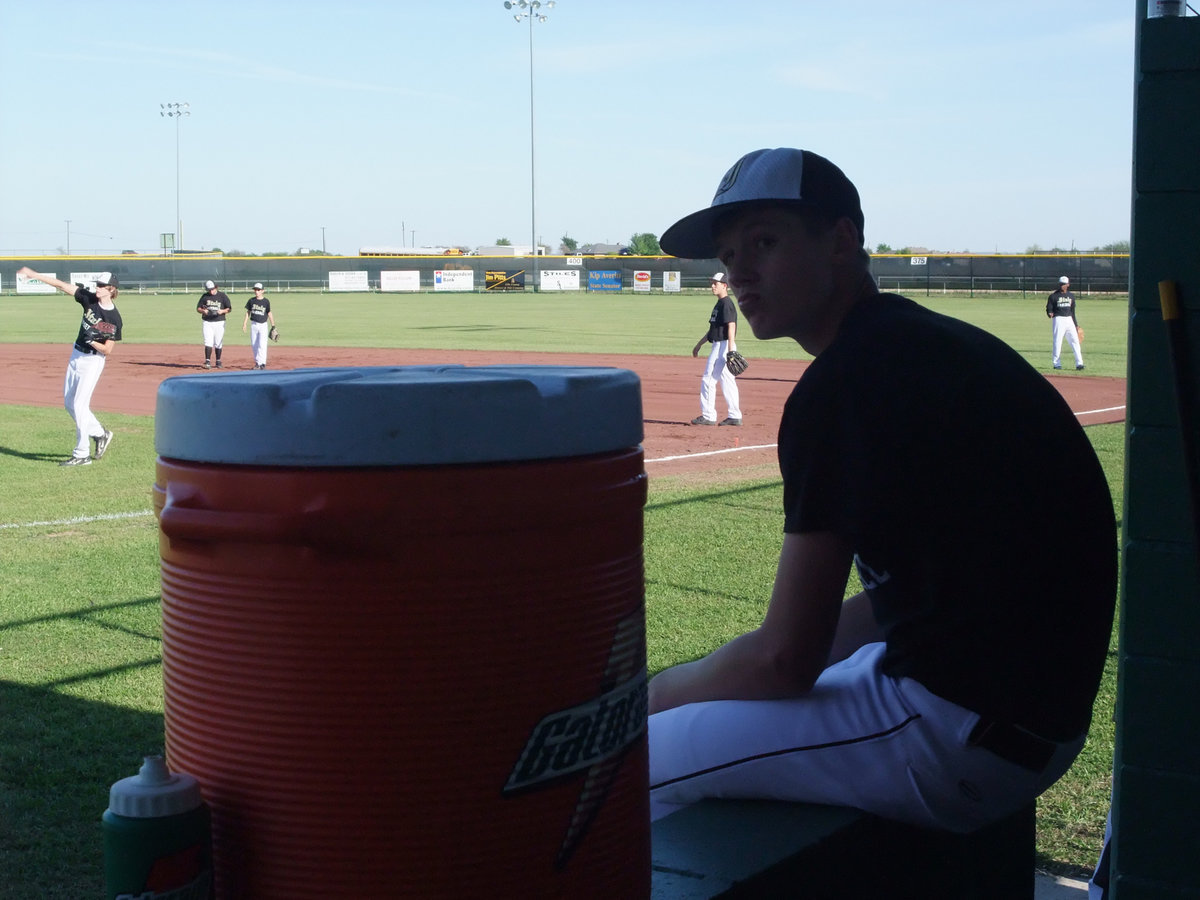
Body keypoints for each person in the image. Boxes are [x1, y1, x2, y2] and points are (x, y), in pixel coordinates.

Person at [648, 147, 1117, 834]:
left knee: (632, 758)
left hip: (957, 732)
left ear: (841, 241)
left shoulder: (845, 384)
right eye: (728, 253)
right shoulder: (925, 346)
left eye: (765, 242)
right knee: (713, 708)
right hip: (1026, 718)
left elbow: (785, 659)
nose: (739, 271)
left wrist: (658, 691)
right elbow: (911, 596)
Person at [17, 267, 122, 466]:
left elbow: (108, 350)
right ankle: (100, 434)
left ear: (111, 289)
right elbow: (62, 285)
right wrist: (34, 275)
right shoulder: (89, 300)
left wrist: (92, 341)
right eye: (96, 285)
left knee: (80, 406)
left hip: (92, 361)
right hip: (76, 355)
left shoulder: (113, 318)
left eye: (101, 286)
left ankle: (82, 454)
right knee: (69, 403)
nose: (97, 288)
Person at [689, 272, 743, 426]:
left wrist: (731, 349)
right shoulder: (720, 303)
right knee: (727, 380)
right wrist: (699, 344)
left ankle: (708, 415)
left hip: (723, 346)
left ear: (724, 286)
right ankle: (735, 415)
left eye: (716, 283)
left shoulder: (726, 304)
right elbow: (714, 329)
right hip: (722, 344)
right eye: (712, 283)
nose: (712, 286)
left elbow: (731, 325)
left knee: (708, 379)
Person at [1047, 275, 1085, 370]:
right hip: (1058, 319)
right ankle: (1056, 364)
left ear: (1068, 284)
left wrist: (1076, 325)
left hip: (1069, 320)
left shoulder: (1071, 296)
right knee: (1057, 342)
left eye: (1064, 284)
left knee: (1075, 341)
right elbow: (1049, 308)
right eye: (1061, 284)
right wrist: (1049, 313)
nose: (1062, 286)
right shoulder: (1053, 296)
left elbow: (1072, 312)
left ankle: (1079, 364)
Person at [241, 282, 277, 369]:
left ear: (262, 291)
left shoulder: (266, 301)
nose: (256, 291)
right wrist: (245, 323)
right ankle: (257, 363)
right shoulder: (251, 301)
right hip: (254, 325)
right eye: (255, 290)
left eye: (258, 290)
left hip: (263, 325)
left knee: (262, 344)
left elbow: (269, 313)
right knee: (254, 344)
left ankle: (262, 363)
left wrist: (273, 325)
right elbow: (248, 312)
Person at [197, 279, 232, 368]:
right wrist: (203, 311)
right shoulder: (205, 296)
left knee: (218, 342)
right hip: (207, 322)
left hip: (220, 322)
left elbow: (229, 308)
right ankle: (207, 361)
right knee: (208, 341)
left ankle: (218, 361)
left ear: (216, 287)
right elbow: (198, 308)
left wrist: (222, 311)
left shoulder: (222, 296)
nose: (211, 291)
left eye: (212, 289)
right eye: (209, 290)